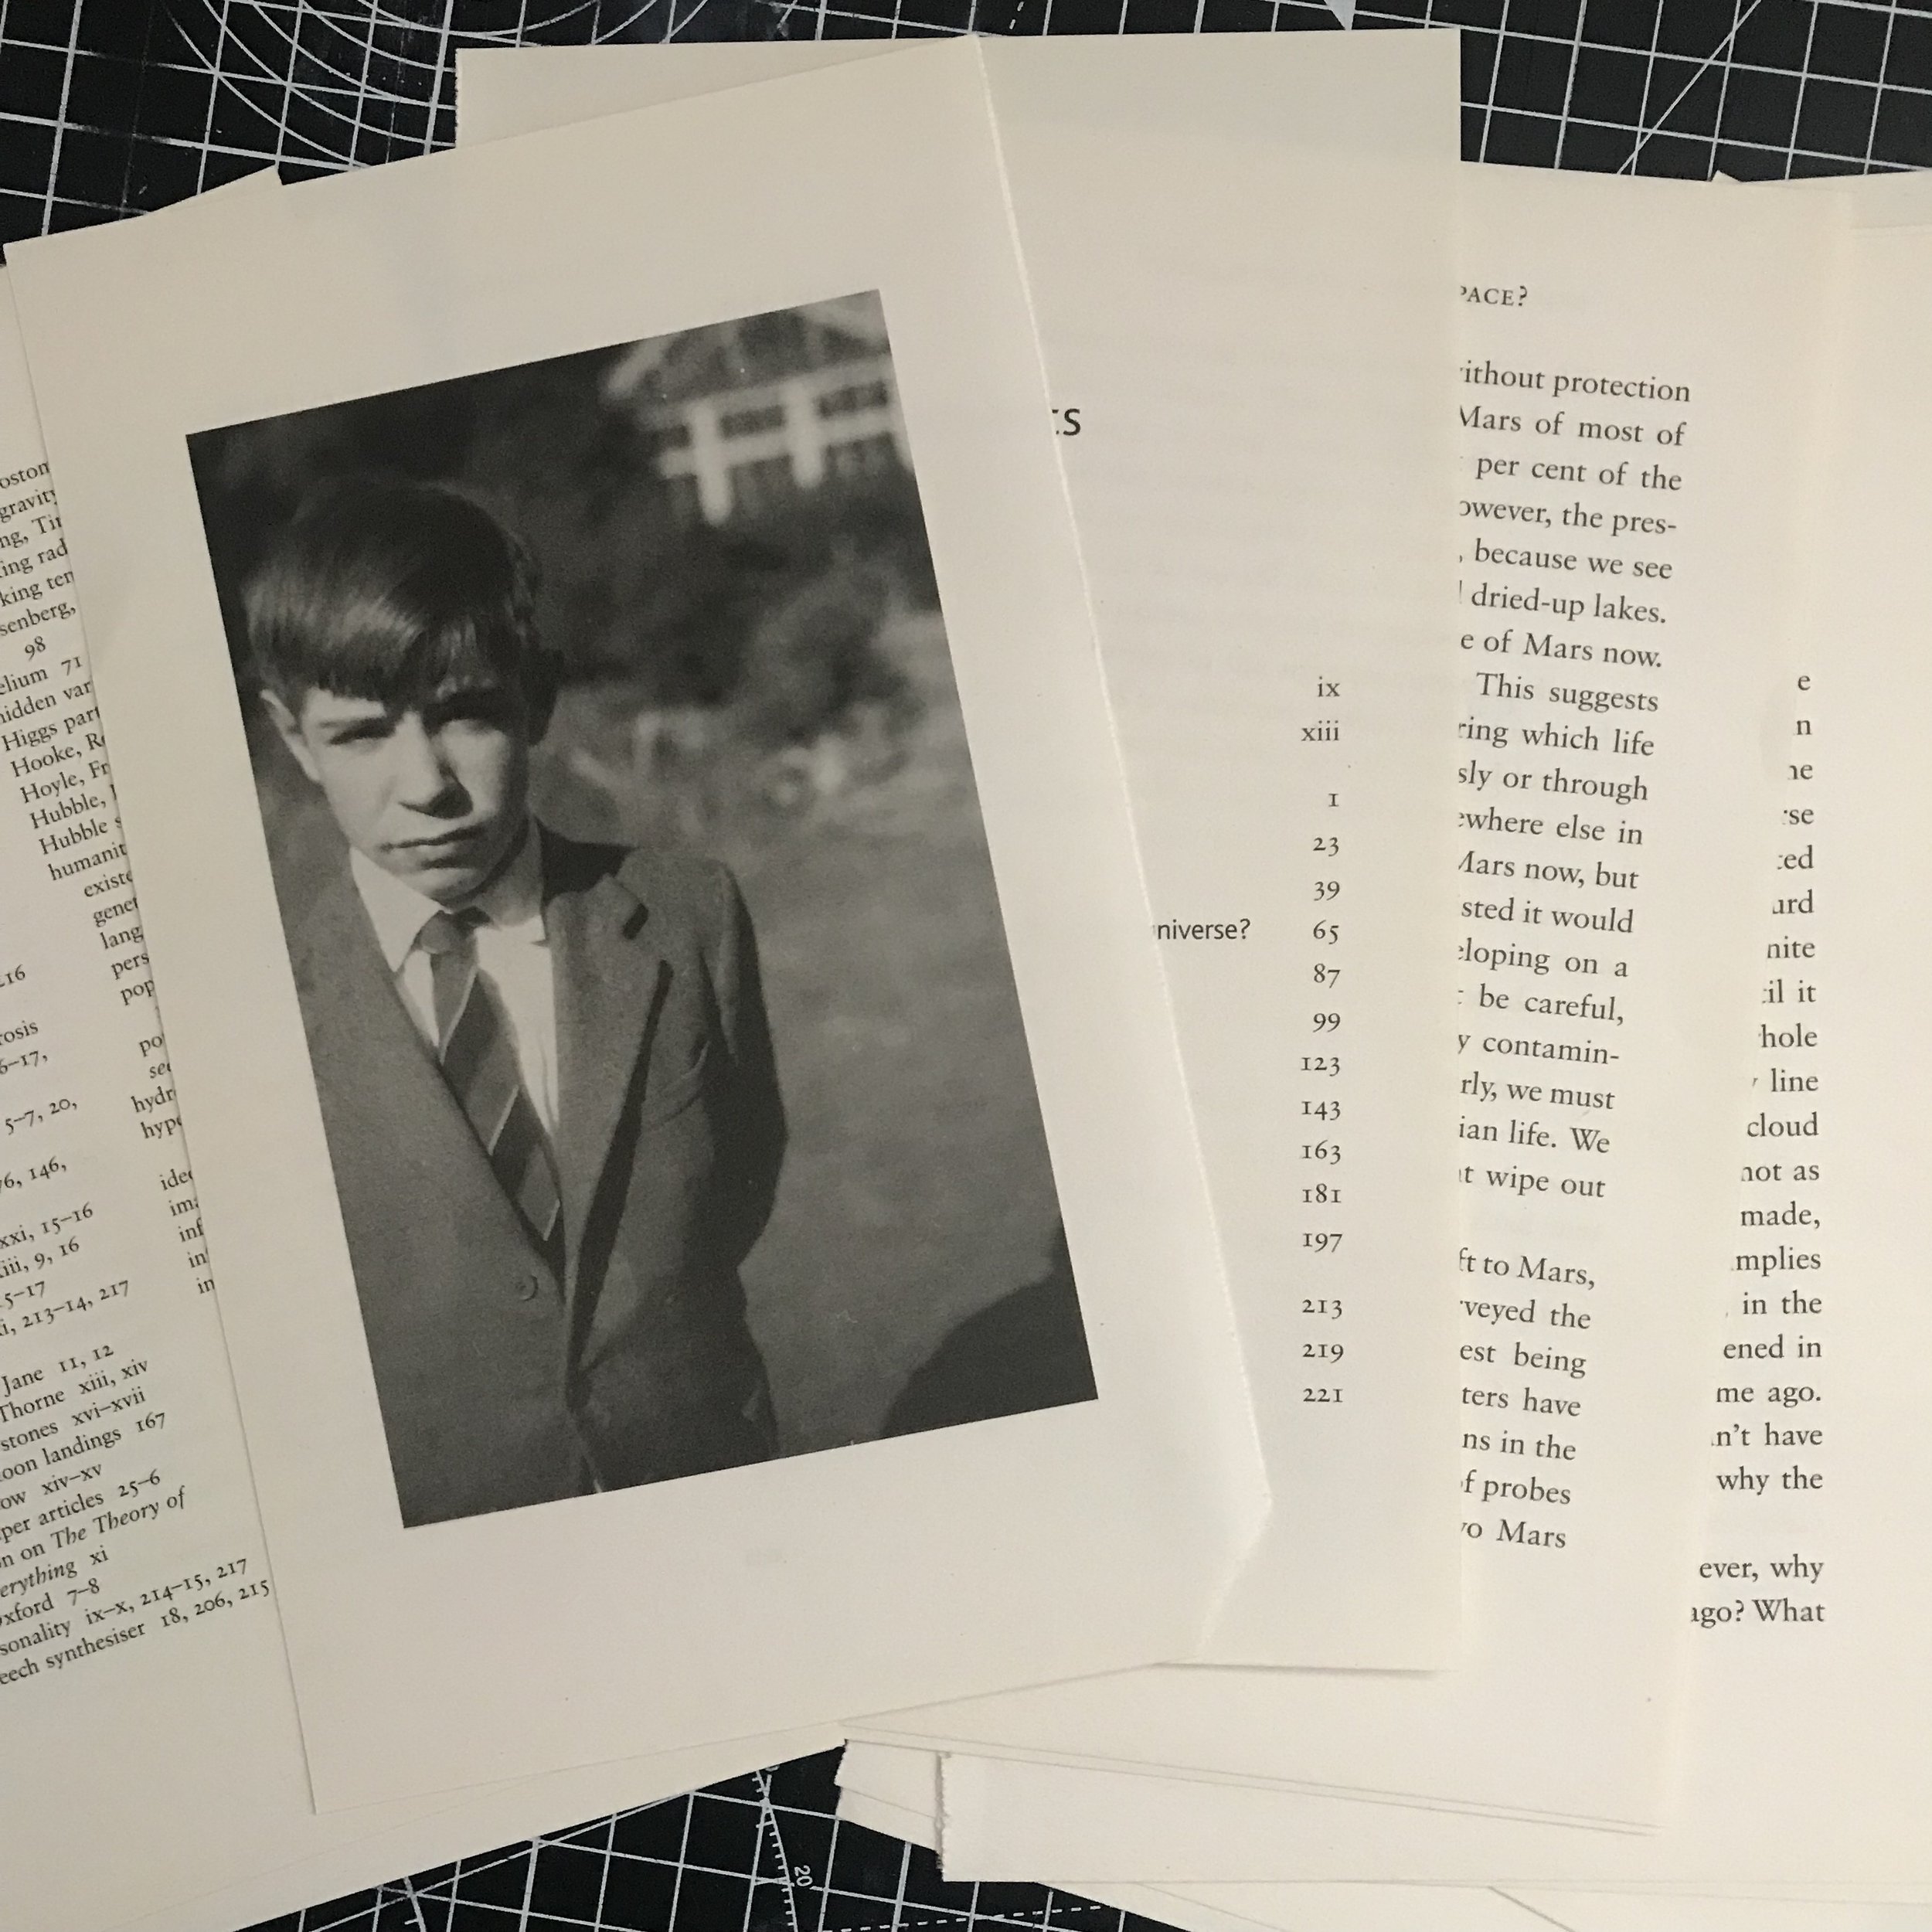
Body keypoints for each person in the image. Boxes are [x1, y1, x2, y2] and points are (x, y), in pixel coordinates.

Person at [249, 477, 785, 1528]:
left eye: (467, 714)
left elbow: (738, 1180)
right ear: (296, 740)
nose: (426, 785)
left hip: (704, 1482)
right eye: (360, 735)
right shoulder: (262, 1012)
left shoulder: (689, 915)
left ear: (537, 699)